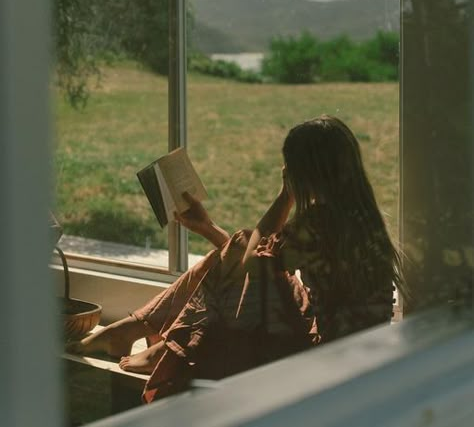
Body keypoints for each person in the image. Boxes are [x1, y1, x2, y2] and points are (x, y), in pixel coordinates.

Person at [68, 115, 403, 403]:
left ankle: (157, 344)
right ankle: (140, 334)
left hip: (327, 362)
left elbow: (250, 266)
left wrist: (284, 197)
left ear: (305, 173)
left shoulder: (320, 222)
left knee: (243, 245)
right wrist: (209, 228)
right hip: (353, 353)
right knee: (241, 250)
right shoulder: (364, 218)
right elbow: (252, 266)